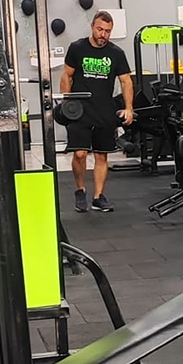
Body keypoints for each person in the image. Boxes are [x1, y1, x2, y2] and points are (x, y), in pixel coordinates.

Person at [61, 11, 135, 213]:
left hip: (104, 110)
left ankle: (98, 197)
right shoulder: (77, 48)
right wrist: (66, 103)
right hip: (80, 110)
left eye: (107, 31)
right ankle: (80, 190)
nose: (103, 34)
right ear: (92, 26)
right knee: (80, 153)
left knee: (102, 155)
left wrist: (129, 108)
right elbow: (67, 76)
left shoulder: (116, 53)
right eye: (100, 29)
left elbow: (126, 81)